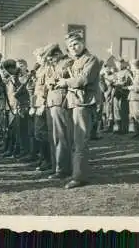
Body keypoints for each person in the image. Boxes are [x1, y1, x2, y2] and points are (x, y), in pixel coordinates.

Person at [55, 31, 100, 189]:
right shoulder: (73, 61)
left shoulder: (91, 60)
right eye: (70, 46)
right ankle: (76, 172)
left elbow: (83, 79)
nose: (73, 48)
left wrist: (65, 82)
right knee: (73, 141)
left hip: (84, 104)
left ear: (83, 43)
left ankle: (79, 177)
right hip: (72, 103)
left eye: (76, 44)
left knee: (80, 141)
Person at [43, 43, 74, 180]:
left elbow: (63, 77)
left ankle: (63, 169)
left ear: (57, 54)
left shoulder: (67, 62)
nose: (49, 61)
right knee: (54, 137)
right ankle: (55, 166)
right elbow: (47, 80)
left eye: (51, 58)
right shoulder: (53, 65)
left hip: (61, 101)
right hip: (52, 102)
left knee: (61, 137)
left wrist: (52, 80)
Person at [30, 48, 53, 172]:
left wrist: (43, 104)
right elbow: (37, 90)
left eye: (39, 57)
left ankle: (47, 160)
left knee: (43, 133)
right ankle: (42, 158)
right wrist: (34, 105)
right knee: (38, 133)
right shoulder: (40, 70)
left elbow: (46, 88)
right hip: (38, 103)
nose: (37, 59)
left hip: (44, 104)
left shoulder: (48, 69)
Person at [112, 58, 131, 135]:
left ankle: (125, 129)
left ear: (123, 64)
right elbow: (114, 81)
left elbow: (128, 82)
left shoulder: (127, 72)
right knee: (117, 111)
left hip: (124, 94)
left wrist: (120, 84)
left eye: (120, 63)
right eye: (117, 64)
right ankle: (119, 128)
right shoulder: (116, 73)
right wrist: (114, 83)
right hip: (116, 94)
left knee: (124, 111)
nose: (119, 65)